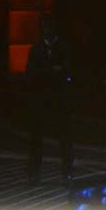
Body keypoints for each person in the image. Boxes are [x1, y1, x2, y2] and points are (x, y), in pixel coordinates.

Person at [25, 14, 73, 184]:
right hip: (41, 100)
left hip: (60, 99)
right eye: (45, 26)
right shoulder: (37, 49)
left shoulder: (64, 48)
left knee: (64, 138)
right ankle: (34, 173)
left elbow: (67, 69)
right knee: (36, 137)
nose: (47, 29)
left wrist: (46, 72)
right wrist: (52, 70)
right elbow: (31, 73)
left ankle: (67, 173)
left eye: (50, 25)